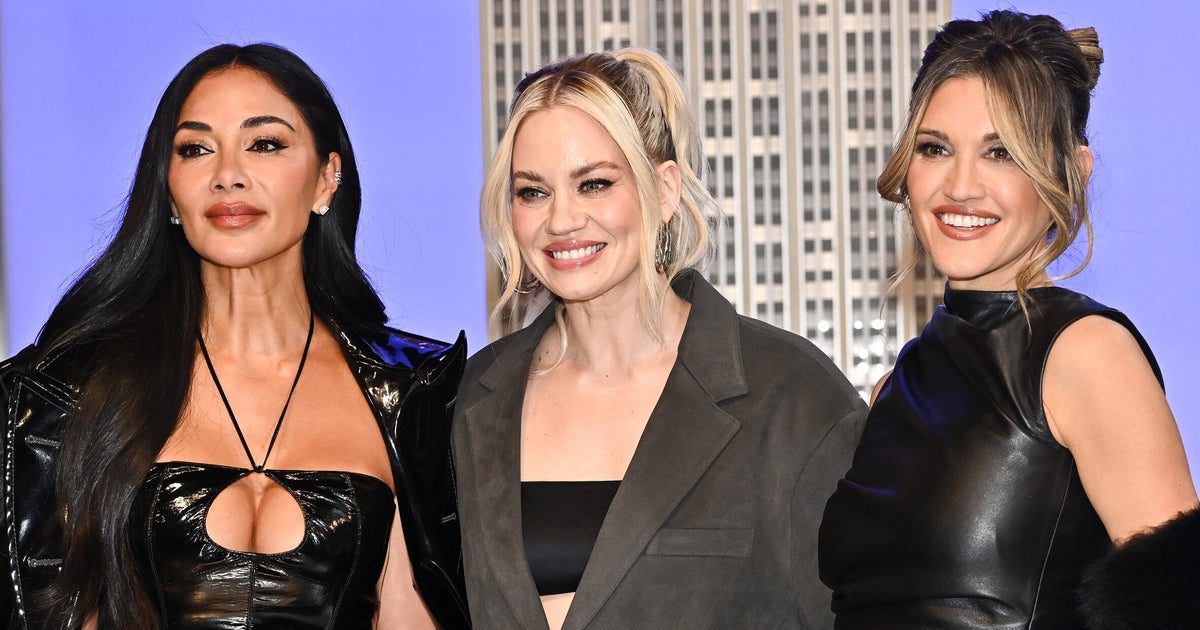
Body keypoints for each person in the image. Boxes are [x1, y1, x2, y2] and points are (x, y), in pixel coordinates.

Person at [0, 43, 470, 629]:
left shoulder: (410, 394)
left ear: (327, 179)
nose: (227, 176)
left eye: (264, 144)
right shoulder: (68, 394)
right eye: (196, 149)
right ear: (169, 191)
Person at [453, 47, 866, 630]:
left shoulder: (792, 397)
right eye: (533, 192)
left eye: (594, 184)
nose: (561, 220)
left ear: (665, 190)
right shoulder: (470, 401)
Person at [818, 10, 1200, 628]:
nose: (960, 185)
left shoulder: (1086, 355)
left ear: (1070, 173)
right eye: (936, 148)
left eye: (1001, 153)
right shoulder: (896, 386)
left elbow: (1175, 603)